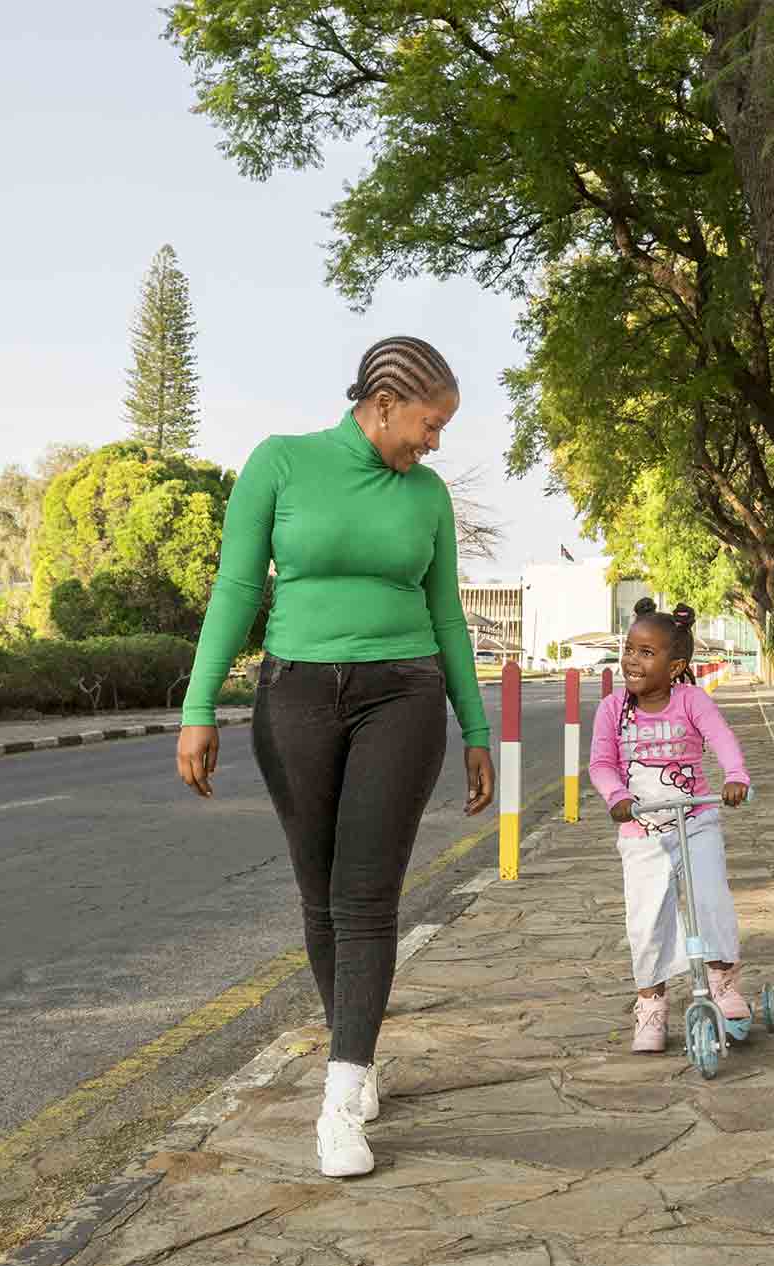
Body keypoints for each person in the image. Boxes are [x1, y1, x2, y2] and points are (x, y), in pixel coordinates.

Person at [176, 335, 495, 1178]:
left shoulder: (427, 496)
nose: (434, 443)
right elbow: (237, 588)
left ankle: (341, 1095)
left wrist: (475, 728)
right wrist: (199, 706)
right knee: (318, 895)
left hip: (404, 696)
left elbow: (449, 615)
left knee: (366, 897)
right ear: (383, 405)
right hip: (296, 697)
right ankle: (353, 1049)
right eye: (429, 424)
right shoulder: (280, 463)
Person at [588, 599, 751, 1053]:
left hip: (695, 822)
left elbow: (722, 739)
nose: (632, 661)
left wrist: (736, 776)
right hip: (641, 833)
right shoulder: (612, 709)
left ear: (675, 666)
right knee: (646, 921)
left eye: (646, 653)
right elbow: (601, 764)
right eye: (629, 650)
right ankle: (651, 1004)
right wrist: (616, 796)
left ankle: (722, 982)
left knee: (711, 901)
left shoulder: (691, 700)